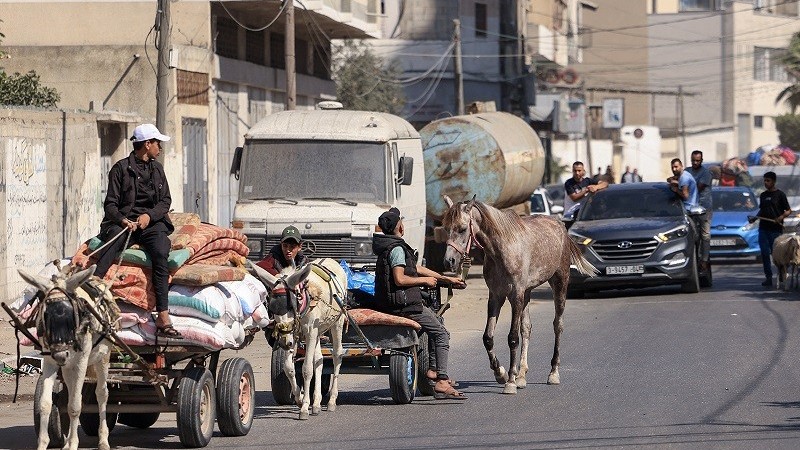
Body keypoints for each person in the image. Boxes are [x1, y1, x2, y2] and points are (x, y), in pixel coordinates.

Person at [94, 124, 180, 338]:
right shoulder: (120, 169)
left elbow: (165, 201)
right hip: (124, 225)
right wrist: (124, 220)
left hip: (151, 224)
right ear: (147, 144)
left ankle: (163, 314)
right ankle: (92, 293)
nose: (160, 147)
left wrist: (148, 217)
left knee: (161, 253)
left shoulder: (157, 169)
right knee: (111, 245)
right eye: (157, 143)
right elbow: (110, 205)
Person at [373, 207, 467, 399]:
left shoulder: (391, 246)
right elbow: (400, 279)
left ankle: (433, 370)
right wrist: (424, 281)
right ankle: (441, 380)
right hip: (403, 305)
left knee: (437, 323)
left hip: (399, 302)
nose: (403, 224)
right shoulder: (397, 249)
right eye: (401, 221)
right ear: (399, 226)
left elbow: (415, 268)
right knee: (441, 334)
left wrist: (445, 279)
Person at [749, 171, 792, 287]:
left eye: (768, 180)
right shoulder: (763, 195)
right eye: (764, 180)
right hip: (763, 228)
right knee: (764, 252)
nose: (765, 182)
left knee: (777, 255)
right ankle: (768, 277)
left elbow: (788, 210)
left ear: (774, 181)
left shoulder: (780, 195)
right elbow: (762, 210)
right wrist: (755, 218)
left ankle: (782, 272)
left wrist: (781, 217)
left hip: (776, 230)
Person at [688, 150, 713, 272]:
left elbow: (697, 188)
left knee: (705, 235)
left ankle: (704, 259)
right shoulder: (687, 171)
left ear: (701, 161)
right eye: (693, 160)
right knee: (693, 235)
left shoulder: (706, 173)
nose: (695, 163)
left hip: (704, 208)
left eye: (697, 160)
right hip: (690, 209)